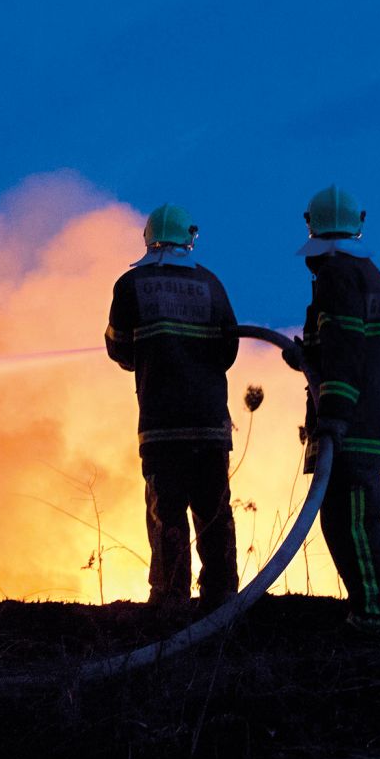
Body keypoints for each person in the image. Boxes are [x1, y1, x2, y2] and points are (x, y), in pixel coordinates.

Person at [105, 203, 240, 612]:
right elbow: (229, 349)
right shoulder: (211, 284)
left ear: (148, 240)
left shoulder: (131, 285)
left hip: (162, 426)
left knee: (167, 514)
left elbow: (119, 347)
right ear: (190, 239)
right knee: (214, 511)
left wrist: (150, 359)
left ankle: (170, 600)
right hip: (210, 423)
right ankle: (221, 600)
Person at [297, 185, 380, 639]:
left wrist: (333, 416)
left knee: (351, 527)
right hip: (365, 423)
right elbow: (347, 342)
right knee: (357, 523)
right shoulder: (369, 273)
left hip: (351, 428)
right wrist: (308, 356)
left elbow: (345, 350)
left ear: (312, 224)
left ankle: (373, 619)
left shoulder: (337, 276)